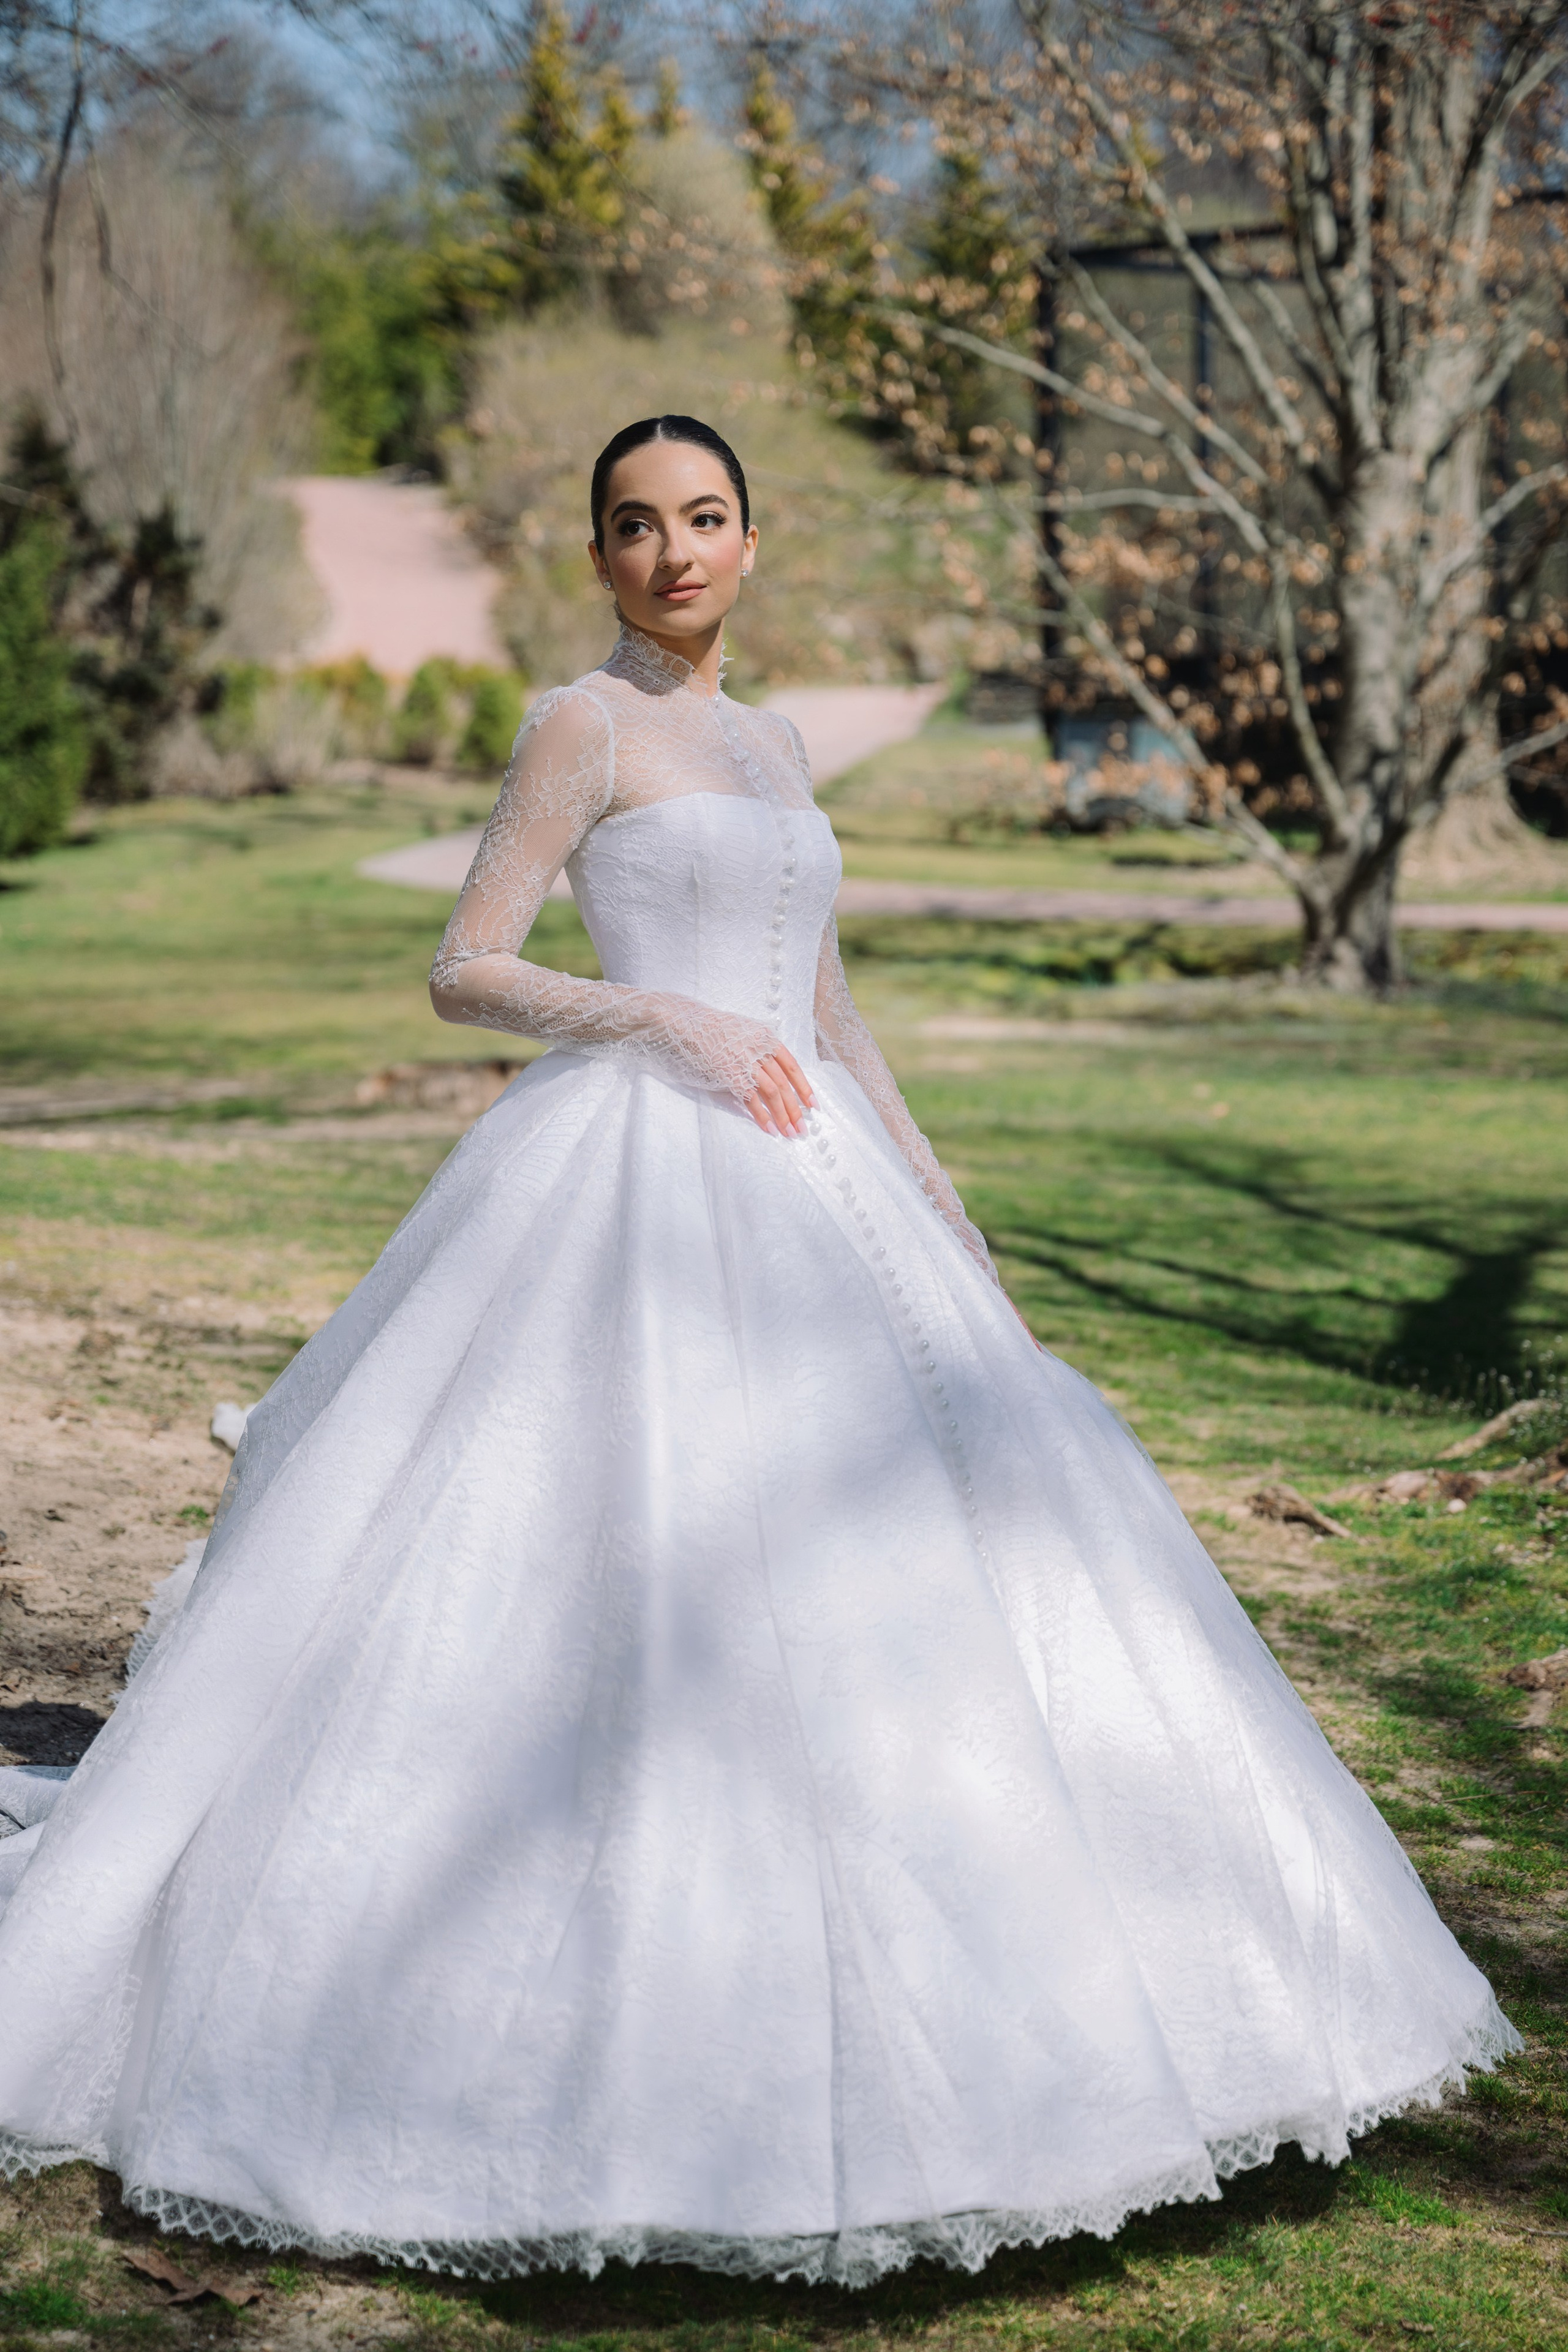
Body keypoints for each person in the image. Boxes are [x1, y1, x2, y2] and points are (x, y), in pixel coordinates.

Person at [0, 415, 1517, 2288]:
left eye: (704, 519)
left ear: (748, 539)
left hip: (826, 1190)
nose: (674, 553)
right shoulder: (586, 726)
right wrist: (658, 1020)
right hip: (632, 1182)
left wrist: (940, 1195)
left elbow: (827, 1002)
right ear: (602, 557)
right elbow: (468, 962)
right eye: (635, 525)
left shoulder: (783, 743)